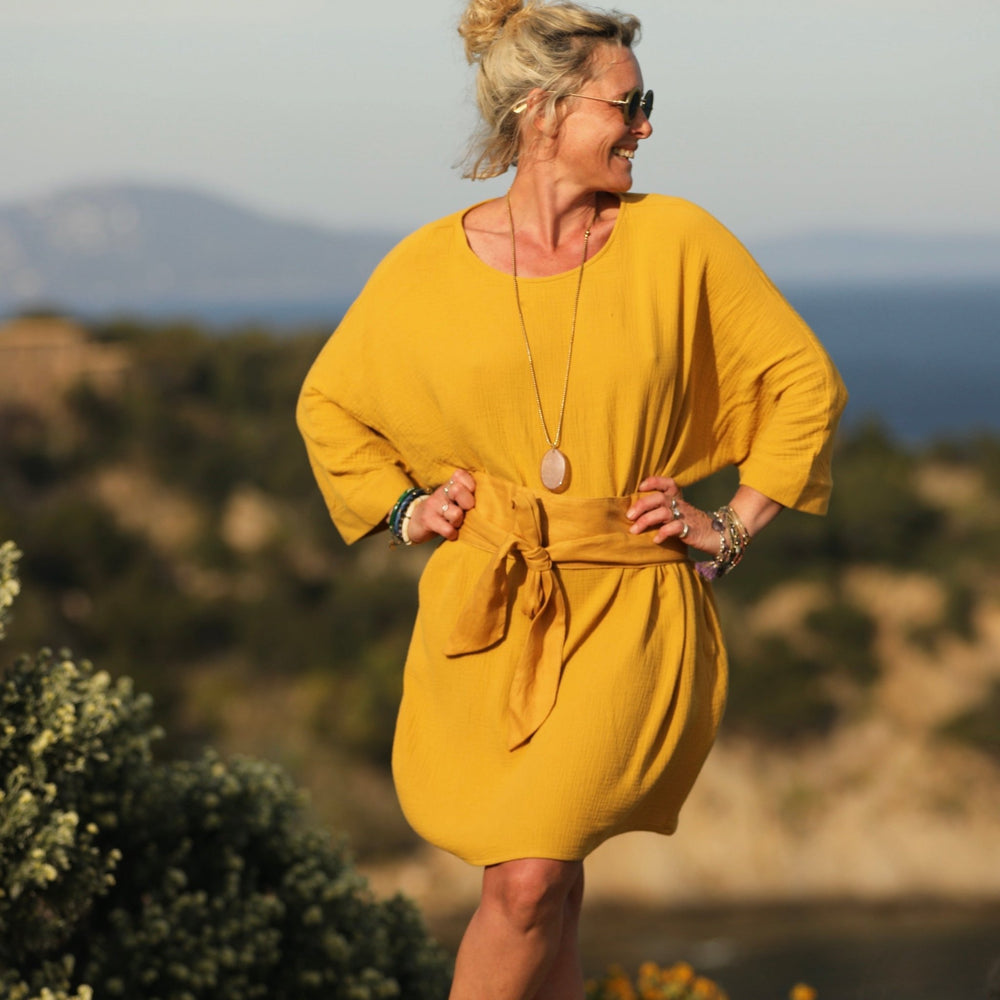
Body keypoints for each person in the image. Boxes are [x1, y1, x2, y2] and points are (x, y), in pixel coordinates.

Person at [297, 0, 847, 996]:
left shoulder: (679, 241)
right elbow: (330, 403)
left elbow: (803, 383)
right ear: (542, 110)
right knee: (545, 886)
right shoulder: (424, 265)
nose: (646, 126)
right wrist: (403, 508)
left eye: (645, 103)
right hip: (490, 601)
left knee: (526, 881)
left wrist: (731, 524)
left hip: (629, 604)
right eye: (627, 105)